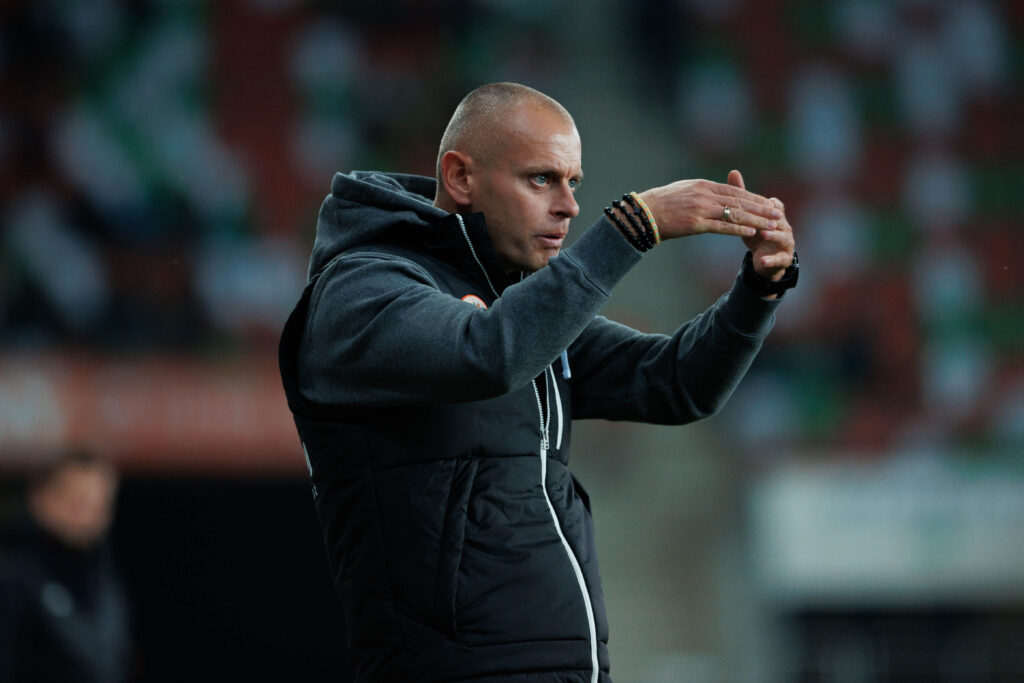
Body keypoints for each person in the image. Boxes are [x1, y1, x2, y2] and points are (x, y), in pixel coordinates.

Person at [279, 82, 797, 682]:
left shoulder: (520, 307)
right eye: (541, 179)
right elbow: (488, 354)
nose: (570, 206)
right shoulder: (362, 291)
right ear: (461, 177)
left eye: (573, 183)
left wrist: (758, 290)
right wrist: (635, 226)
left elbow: (676, 382)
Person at [0, 451, 131, 683]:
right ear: (40, 499)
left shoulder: (103, 580)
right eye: (77, 502)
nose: (89, 517)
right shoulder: (13, 578)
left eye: (99, 506)